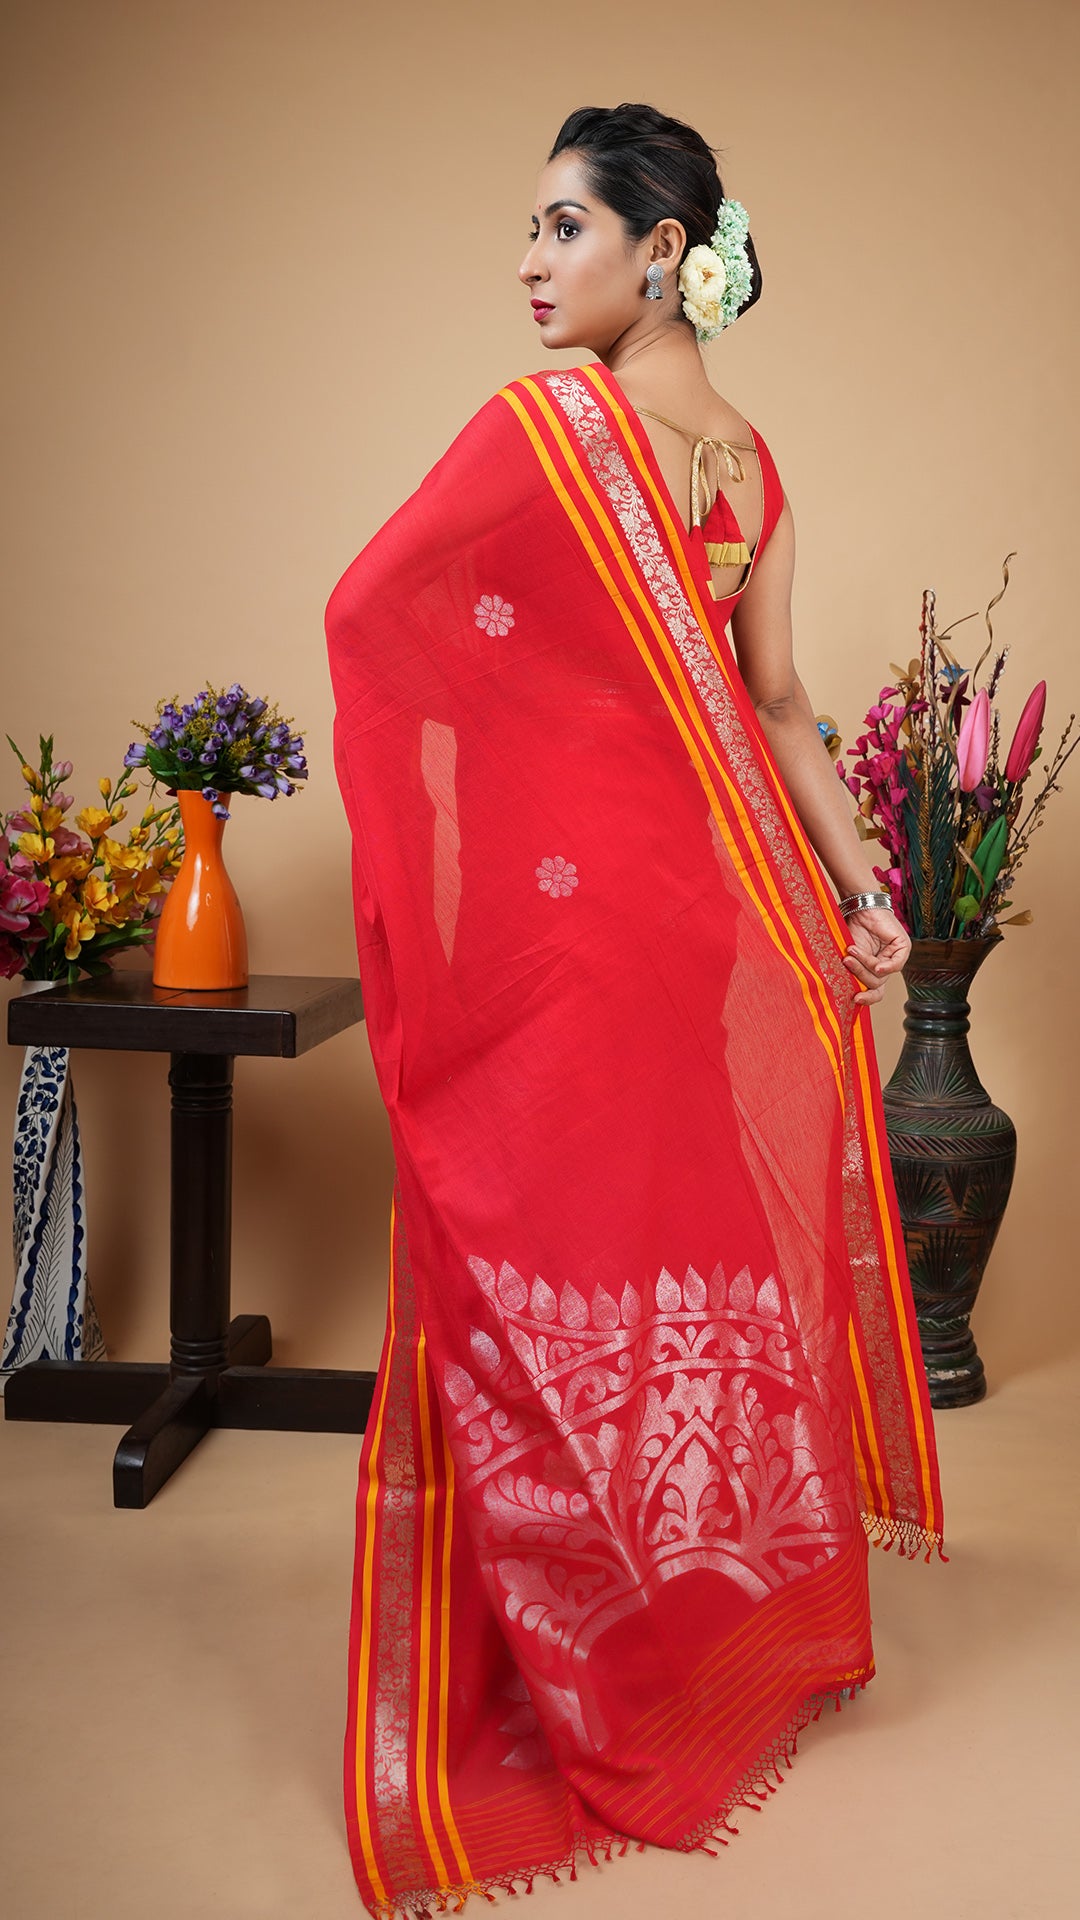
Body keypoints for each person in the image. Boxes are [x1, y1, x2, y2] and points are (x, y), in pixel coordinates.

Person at [325, 101, 945, 1920]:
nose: (529, 263)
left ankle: (576, 1660)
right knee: (682, 1263)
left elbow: (374, 614)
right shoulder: (750, 463)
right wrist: (860, 883)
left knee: (534, 1265)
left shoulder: (550, 430)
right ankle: (707, 1648)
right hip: (713, 921)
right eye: (527, 232)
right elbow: (782, 711)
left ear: (663, 246)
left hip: (572, 942)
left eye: (560, 227)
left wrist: (480, 806)